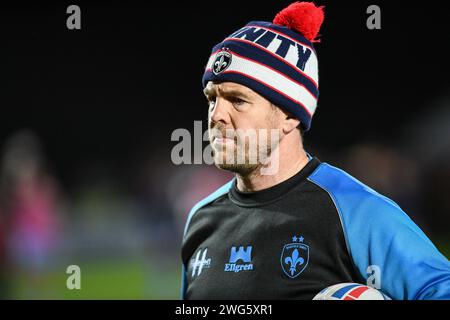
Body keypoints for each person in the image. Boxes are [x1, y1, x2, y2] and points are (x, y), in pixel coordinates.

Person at [180, 2, 450, 300]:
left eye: (238, 100)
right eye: (212, 98)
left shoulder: (355, 210)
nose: (217, 115)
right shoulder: (201, 219)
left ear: (289, 115)